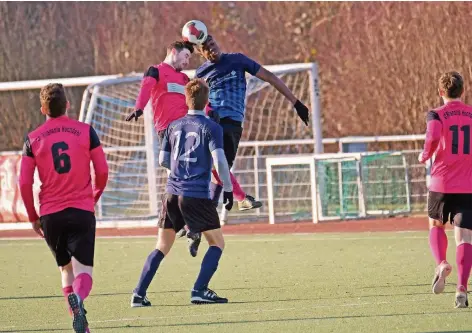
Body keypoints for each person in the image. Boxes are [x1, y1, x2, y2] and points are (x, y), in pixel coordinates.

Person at [131, 78, 233, 306]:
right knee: (217, 243)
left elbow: (162, 160)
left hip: (171, 193)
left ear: (186, 100)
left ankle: (138, 294)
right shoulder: (211, 127)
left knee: (162, 246)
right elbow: (220, 161)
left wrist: (178, 175)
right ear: (207, 101)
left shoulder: (172, 126)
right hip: (195, 194)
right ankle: (199, 289)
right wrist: (227, 189)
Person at [19, 83, 109, 332]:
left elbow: (24, 182)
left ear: (42, 109)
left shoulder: (33, 138)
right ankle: (79, 300)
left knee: (65, 269)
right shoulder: (85, 131)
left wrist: (33, 217)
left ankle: (82, 325)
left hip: (50, 214)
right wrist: (96, 194)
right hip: (81, 210)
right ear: (67, 105)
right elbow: (102, 170)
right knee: (84, 273)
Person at [194, 35, 310, 210]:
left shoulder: (237, 60)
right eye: (206, 48)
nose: (211, 48)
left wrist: (296, 102)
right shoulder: (201, 73)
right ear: (201, 53)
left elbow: (269, 77)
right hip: (213, 123)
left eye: (212, 44)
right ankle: (239, 200)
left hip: (232, 124)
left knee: (219, 173)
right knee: (213, 166)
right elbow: (198, 100)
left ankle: (196, 222)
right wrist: (208, 111)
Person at [418, 71, 472, 308]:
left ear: (441, 92)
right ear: (463, 91)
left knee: (435, 225)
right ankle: (462, 288)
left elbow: (432, 137)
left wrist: (425, 154)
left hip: (441, 183)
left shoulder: (436, 114)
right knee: (464, 237)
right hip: (467, 185)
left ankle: (441, 263)